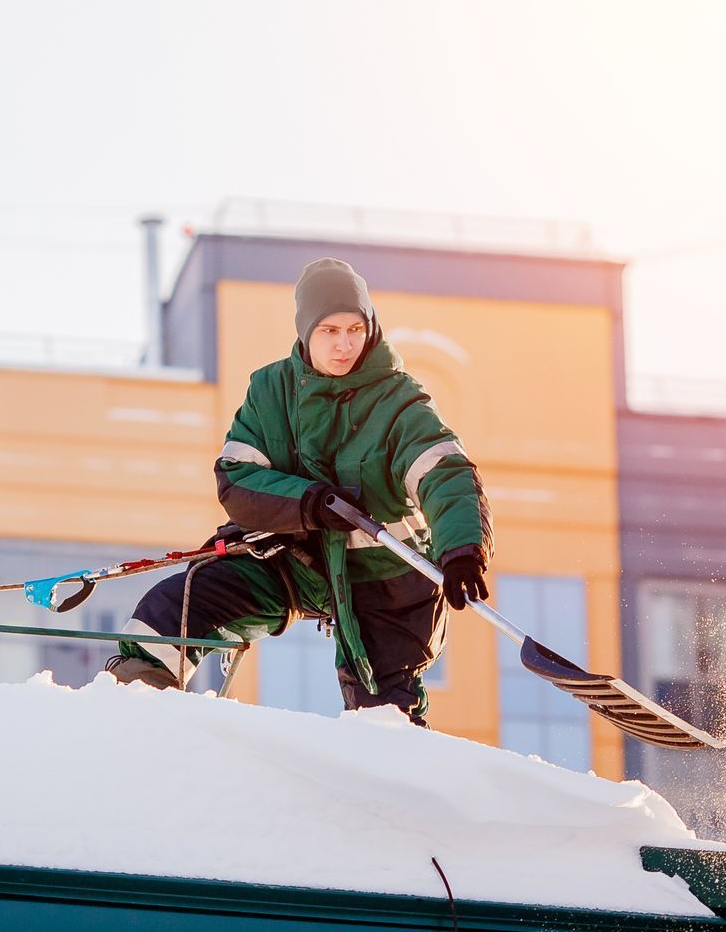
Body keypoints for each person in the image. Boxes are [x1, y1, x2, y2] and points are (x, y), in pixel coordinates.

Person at [106, 257, 492, 724]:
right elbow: (237, 479)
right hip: (292, 559)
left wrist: (462, 549)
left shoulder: (400, 401)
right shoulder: (272, 391)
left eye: (355, 328)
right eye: (330, 331)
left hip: (382, 576)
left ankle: (389, 783)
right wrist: (310, 502)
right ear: (307, 331)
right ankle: (137, 716)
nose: (345, 344)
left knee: (385, 712)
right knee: (177, 603)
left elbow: (443, 471)